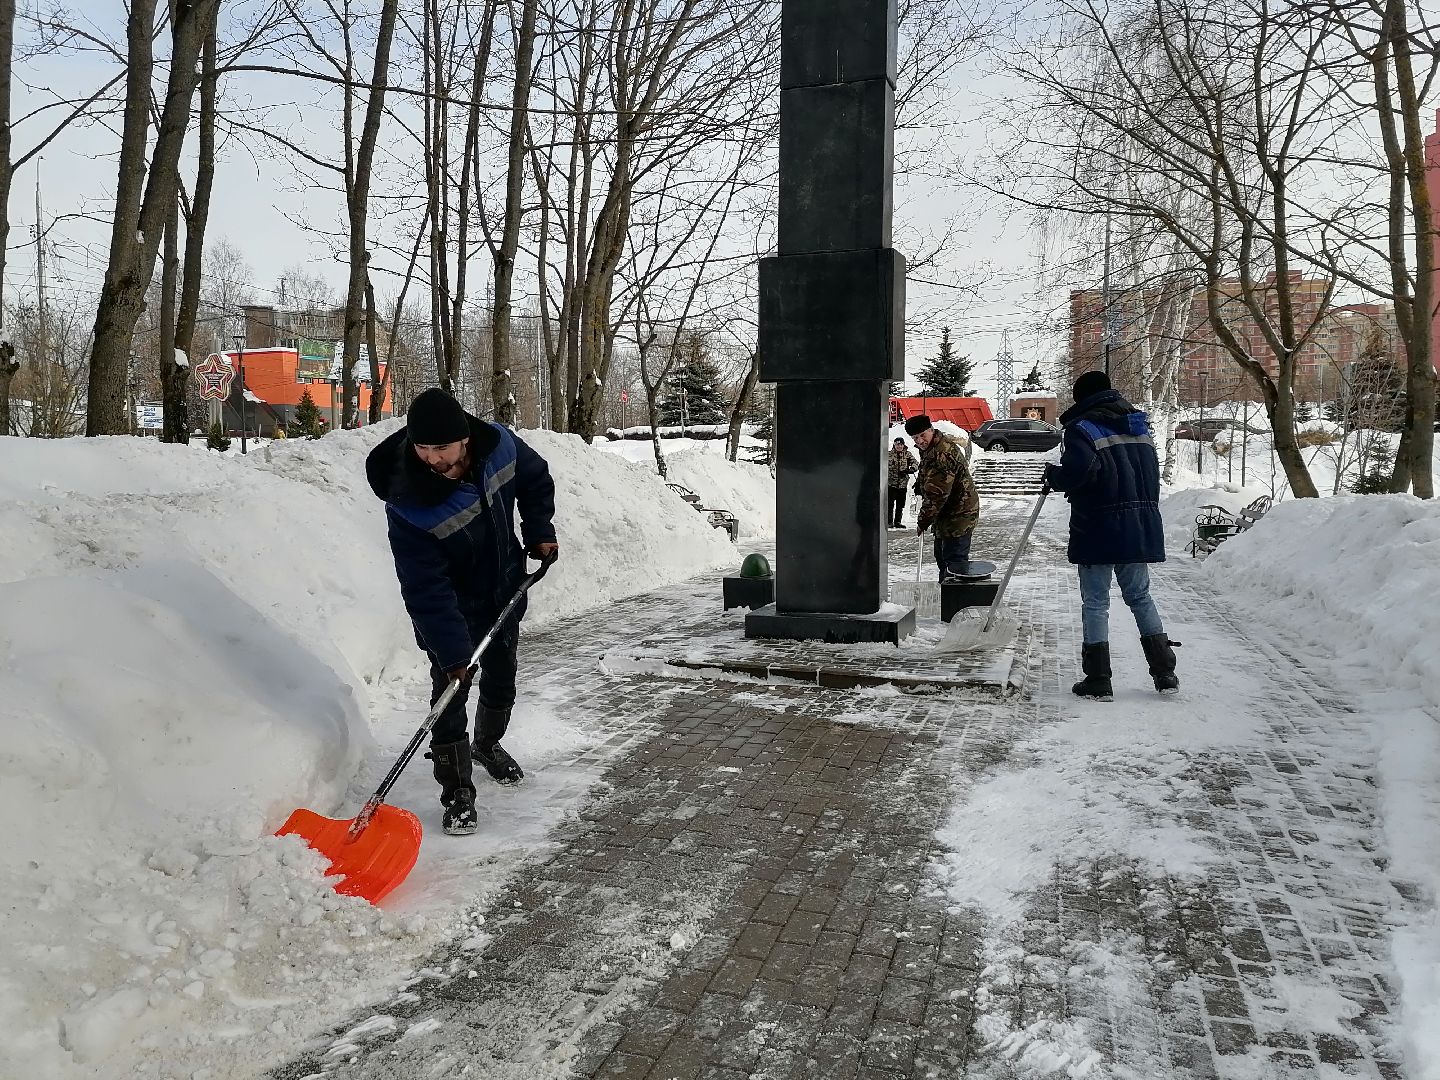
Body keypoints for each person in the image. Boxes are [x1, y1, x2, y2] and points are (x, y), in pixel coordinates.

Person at [365, 388, 559, 835]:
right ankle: (456, 790)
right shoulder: (408, 502)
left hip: (505, 587)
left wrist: (540, 528)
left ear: (465, 439)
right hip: (451, 609)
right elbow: (425, 588)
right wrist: (453, 654)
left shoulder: (500, 447)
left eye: (442, 448)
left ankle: (487, 745)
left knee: (502, 674)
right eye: (423, 448)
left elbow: (534, 477)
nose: (432, 458)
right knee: (450, 693)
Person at [1045, 370, 1178, 701]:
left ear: (1082, 399)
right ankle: (1165, 673)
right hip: (1137, 526)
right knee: (1140, 597)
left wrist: (1055, 476)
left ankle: (1098, 679)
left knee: (1096, 601)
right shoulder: (1139, 426)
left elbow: (1081, 472)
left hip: (1099, 528)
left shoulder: (1083, 428)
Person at [904, 414, 980, 581]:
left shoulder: (941, 454)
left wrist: (922, 521)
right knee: (942, 557)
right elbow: (931, 476)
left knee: (954, 565)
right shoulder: (933, 448)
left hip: (958, 515)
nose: (919, 441)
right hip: (947, 514)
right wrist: (921, 484)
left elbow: (936, 495)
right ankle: (946, 595)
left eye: (922, 435)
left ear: (931, 430)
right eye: (915, 438)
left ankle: (955, 601)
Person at [887, 436, 919, 528]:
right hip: (891, 483)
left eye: (901, 444)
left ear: (903, 445)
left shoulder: (907, 454)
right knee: (889, 504)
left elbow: (915, 463)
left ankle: (898, 522)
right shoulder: (888, 454)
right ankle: (889, 522)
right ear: (894, 445)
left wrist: (912, 469)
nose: (899, 446)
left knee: (900, 505)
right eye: (897, 444)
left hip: (902, 484)